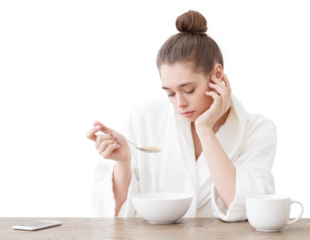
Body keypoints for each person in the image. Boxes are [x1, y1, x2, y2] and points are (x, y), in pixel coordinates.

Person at [88, 4, 277, 221]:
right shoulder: (144, 116)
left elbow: (247, 208)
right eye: (169, 93)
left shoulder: (259, 128)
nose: (180, 104)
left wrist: (205, 130)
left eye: (188, 90)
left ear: (217, 75)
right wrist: (123, 163)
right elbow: (108, 214)